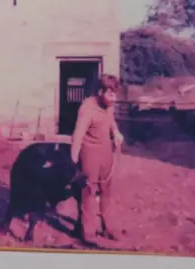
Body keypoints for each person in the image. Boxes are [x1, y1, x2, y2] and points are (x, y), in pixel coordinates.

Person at [70, 74, 124, 244]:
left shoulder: (109, 105)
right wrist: (73, 160)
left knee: (107, 189)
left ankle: (108, 227)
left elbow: (111, 120)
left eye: (115, 94)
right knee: (88, 192)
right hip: (89, 154)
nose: (113, 98)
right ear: (100, 92)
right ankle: (87, 231)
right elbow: (77, 135)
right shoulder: (87, 108)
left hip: (106, 152)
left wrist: (115, 132)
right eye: (110, 94)